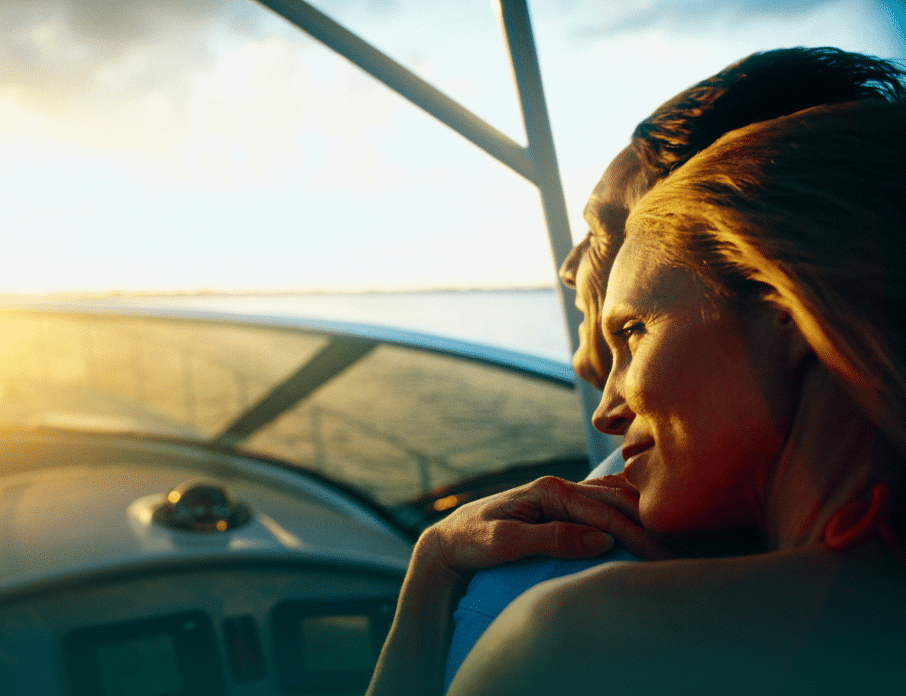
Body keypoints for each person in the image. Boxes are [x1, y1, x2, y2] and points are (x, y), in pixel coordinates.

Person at [366, 55, 906, 696]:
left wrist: (432, 580)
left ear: (782, 298)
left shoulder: (574, 625)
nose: (571, 267)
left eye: (634, 329)